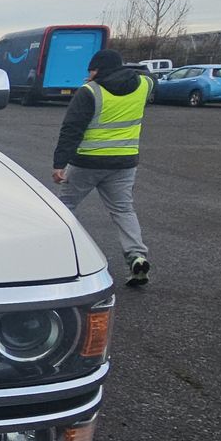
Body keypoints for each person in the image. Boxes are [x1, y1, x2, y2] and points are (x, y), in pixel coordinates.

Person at [52, 48, 153, 287]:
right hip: (125, 161)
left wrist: (59, 164)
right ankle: (137, 256)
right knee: (123, 210)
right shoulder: (144, 85)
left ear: (98, 69)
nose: (89, 74)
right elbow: (150, 76)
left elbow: (71, 129)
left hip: (87, 161)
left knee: (64, 207)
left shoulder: (90, 92)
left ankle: (58, 255)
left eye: (91, 70)